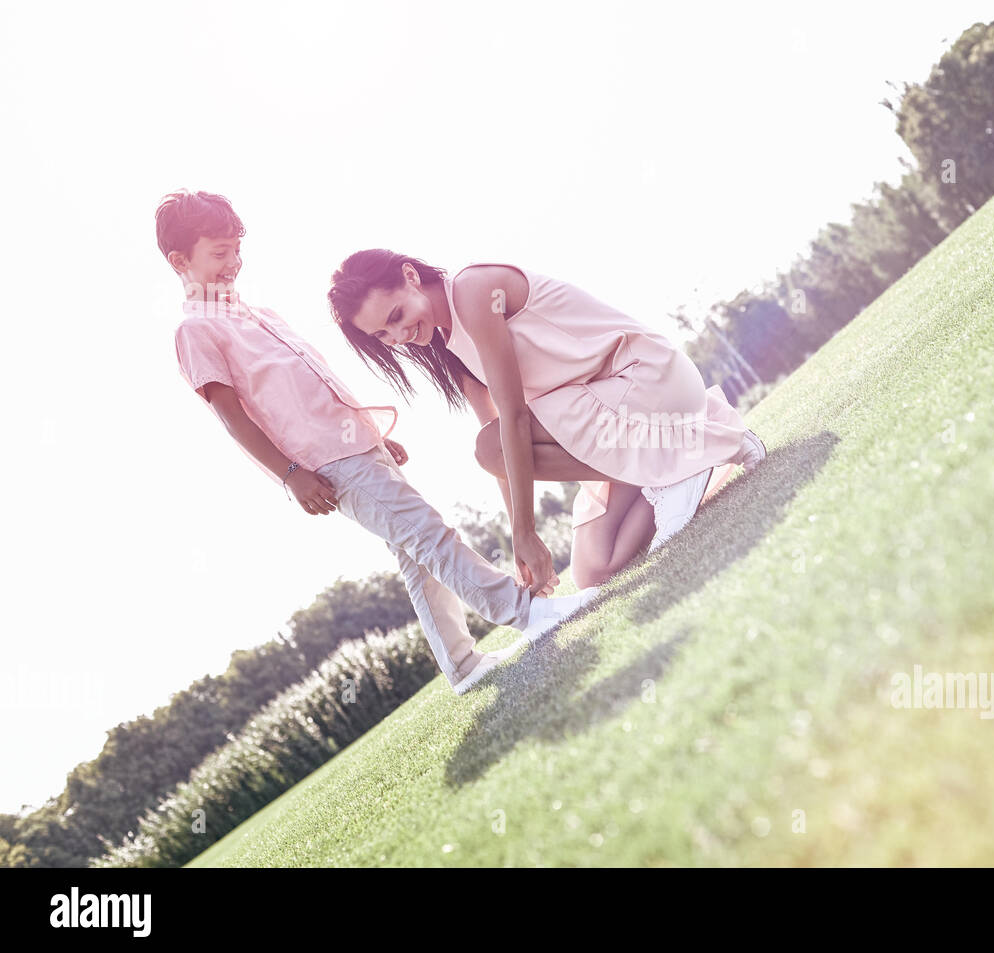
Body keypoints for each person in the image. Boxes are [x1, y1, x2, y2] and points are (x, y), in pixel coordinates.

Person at [160, 190, 597, 695]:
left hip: (354, 445)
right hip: (323, 465)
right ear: (179, 260)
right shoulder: (195, 330)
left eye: (237, 249)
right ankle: (527, 613)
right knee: (428, 533)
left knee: (415, 552)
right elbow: (234, 419)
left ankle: (462, 665)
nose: (233, 263)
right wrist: (290, 475)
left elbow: (314, 386)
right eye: (219, 253)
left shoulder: (260, 314)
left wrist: (373, 437)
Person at [327, 252, 767, 590]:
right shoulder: (450, 344)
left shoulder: (474, 289)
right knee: (595, 568)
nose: (399, 337)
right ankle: (696, 448)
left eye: (396, 316)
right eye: (383, 336)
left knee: (488, 447)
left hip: (646, 383)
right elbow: (504, 453)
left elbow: (515, 420)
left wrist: (526, 530)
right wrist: (522, 553)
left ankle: (684, 456)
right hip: (609, 416)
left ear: (409, 276)